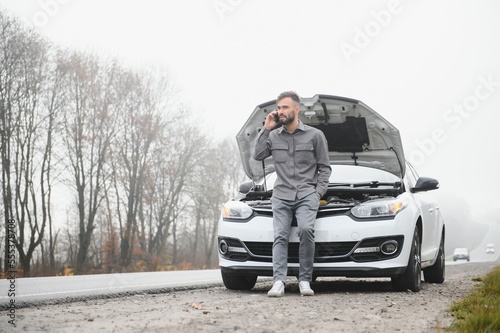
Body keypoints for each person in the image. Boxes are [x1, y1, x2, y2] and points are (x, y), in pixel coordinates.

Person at [252, 91, 332, 297]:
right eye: (278, 108)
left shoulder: (315, 135)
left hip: (307, 194)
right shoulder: (273, 136)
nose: (280, 111)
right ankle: (278, 281)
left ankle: (305, 280)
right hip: (281, 194)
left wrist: (317, 193)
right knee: (280, 235)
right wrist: (266, 128)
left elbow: (325, 168)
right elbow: (258, 154)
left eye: (285, 107)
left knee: (306, 230)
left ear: (297, 109)